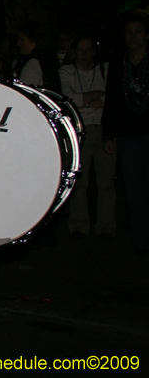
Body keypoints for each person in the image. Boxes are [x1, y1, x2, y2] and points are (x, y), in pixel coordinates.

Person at [59, 36, 117, 239]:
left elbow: (112, 98)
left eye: (88, 49)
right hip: (79, 132)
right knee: (79, 183)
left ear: (94, 52)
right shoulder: (67, 71)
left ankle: (106, 226)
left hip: (103, 130)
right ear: (75, 52)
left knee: (106, 182)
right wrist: (98, 95)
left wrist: (85, 100)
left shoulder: (106, 69)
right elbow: (69, 99)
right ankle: (78, 226)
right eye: (80, 50)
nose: (84, 54)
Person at [102, 14, 149, 254]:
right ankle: (141, 241)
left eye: (138, 31)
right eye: (129, 32)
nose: (133, 36)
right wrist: (108, 135)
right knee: (134, 190)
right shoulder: (120, 62)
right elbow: (112, 100)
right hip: (129, 135)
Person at [12, 23, 60, 92]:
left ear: (34, 41)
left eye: (22, 39)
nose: (18, 43)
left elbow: (22, 92)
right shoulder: (49, 59)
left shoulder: (33, 63)